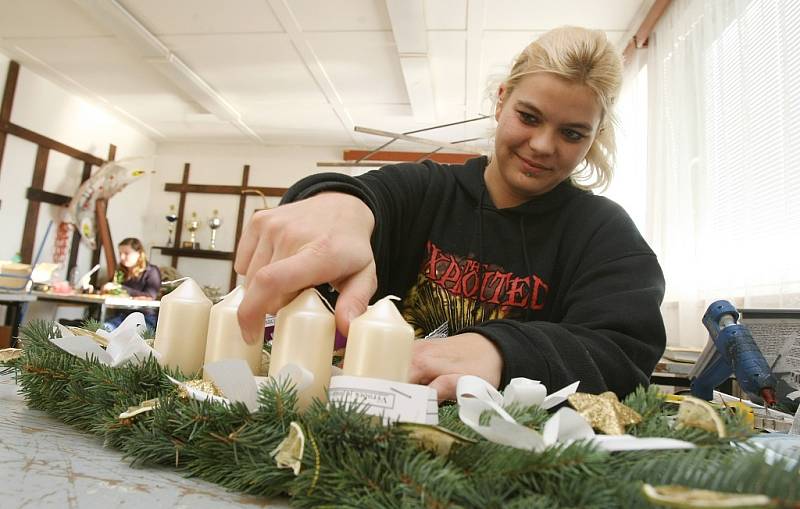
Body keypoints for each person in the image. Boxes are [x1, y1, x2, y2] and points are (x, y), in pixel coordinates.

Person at [235, 26, 666, 402]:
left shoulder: (605, 234)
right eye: (529, 117)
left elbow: (625, 352)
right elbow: (361, 194)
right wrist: (339, 206)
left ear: (595, 137)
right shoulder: (427, 190)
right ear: (501, 102)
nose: (542, 145)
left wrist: (499, 352)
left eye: (572, 133)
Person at [102, 237, 161, 330]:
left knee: (123, 334)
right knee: (103, 329)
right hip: (121, 317)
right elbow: (112, 290)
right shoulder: (120, 271)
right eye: (120, 253)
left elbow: (150, 296)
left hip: (143, 318)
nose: (122, 257)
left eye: (126, 253)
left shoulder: (152, 271)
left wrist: (120, 288)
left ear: (139, 253)